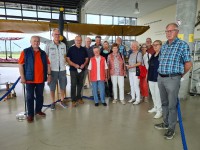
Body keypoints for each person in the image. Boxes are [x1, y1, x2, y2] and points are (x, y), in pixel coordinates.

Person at [155, 23, 192, 140]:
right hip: (161, 77)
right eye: (167, 31)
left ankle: (171, 128)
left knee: (172, 105)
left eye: (171, 30)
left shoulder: (183, 45)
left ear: (177, 31)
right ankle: (165, 123)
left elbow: (188, 64)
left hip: (173, 79)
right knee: (164, 103)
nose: (168, 33)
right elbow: (161, 61)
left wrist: (179, 75)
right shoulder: (164, 46)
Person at [18, 36, 51, 123]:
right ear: (31, 42)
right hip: (29, 79)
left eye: (37, 41)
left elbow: (48, 64)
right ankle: (30, 114)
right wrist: (22, 76)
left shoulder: (43, 53)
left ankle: (38, 110)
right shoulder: (25, 52)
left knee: (40, 96)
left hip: (41, 79)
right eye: (34, 41)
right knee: (30, 97)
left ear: (39, 42)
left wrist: (49, 75)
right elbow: (20, 64)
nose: (36, 42)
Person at [45, 28, 67, 110]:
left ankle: (62, 100)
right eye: (55, 34)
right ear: (52, 35)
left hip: (62, 69)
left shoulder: (63, 45)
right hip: (52, 69)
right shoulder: (48, 45)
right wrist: (48, 72)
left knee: (63, 86)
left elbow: (65, 56)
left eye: (58, 34)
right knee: (52, 87)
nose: (57, 36)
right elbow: (46, 58)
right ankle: (53, 102)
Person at [66, 35, 88, 107]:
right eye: (77, 40)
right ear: (74, 41)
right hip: (73, 70)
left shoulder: (84, 49)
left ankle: (79, 98)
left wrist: (84, 65)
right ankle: (73, 100)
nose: (78, 41)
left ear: (81, 41)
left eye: (80, 40)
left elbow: (87, 59)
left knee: (80, 85)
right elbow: (68, 59)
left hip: (82, 70)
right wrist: (74, 65)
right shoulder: (71, 49)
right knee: (73, 85)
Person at [147, 40, 162, 119]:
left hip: (158, 78)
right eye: (154, 45)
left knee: (158, 95)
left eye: (157, 45)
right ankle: (155, 107)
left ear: (160, 45)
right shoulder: (153, 55)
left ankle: (160, 110)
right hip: (151, 77)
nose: (155, 46)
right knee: (153, 94)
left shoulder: (162, 54)